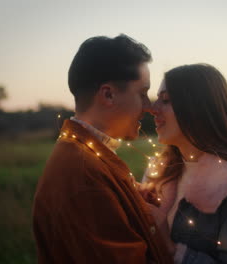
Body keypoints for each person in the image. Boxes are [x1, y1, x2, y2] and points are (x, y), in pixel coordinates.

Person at [32, 34, 173, 264]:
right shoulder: (84, 171)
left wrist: (135, 203)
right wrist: (164, 240)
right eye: (142, 93)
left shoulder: (85, 153)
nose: (149, 107)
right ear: (108, 94)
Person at [141, 64, 227, 264]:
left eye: (166, 100)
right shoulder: (161, 173)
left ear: (199, 109)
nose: (153, 109)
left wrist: (170, 249)